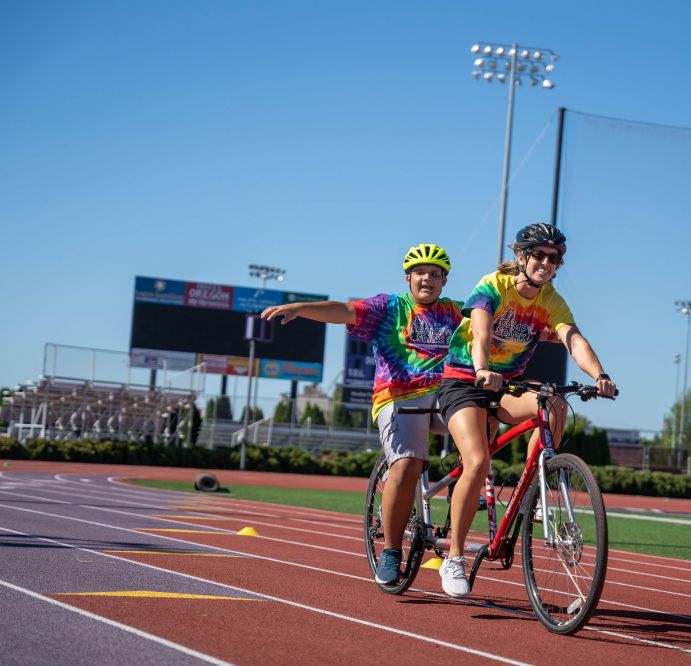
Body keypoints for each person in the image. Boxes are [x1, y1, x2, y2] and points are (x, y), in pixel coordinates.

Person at [261, 243, 462, 586]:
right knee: (408, 463)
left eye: (435, 273)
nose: (427, 278)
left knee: (483, 435)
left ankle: (460, 538)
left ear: (444, 281)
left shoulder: (458, 312)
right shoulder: (389, 306)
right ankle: (392, 552)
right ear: (408, 278)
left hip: (445, 397)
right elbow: (343, 309)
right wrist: (300, 308)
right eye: (420, 272)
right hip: (399, 395)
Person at [435, 223, 617, 598]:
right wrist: (483, 369)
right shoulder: (493, 286)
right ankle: (454, 557)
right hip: (465, 380)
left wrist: (600, 375)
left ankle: (535, 485)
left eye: (555, 258)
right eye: (539, 255)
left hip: (508, 384)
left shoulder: (551, 300)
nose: (547, 263)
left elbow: (573, 339)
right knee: (477, 462)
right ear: (521, 257)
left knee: (553, 403)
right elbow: (481, 332)